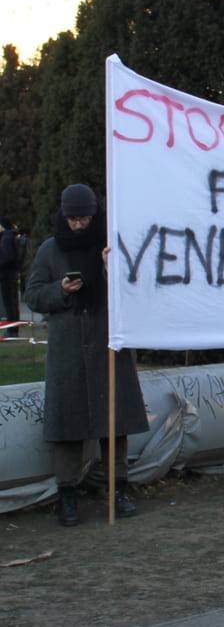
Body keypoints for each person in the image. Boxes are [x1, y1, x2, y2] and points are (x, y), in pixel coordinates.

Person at [26, 184, 149, 527]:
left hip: (109, 344)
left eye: (84, 218)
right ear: (63, 217)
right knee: (67, 425)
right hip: (67, 350)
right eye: (73, 219)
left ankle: (119, 491)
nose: (79, 225)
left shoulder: (111, 246)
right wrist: (60, 291)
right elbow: (33, 295)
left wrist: (112, 271)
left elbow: (136, 291)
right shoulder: (50, 250)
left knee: (116, 423)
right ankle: (67, 496)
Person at [0, 216, 21, 331]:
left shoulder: (6, 238)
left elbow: (7, 257)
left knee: (9, 302)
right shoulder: (12, 235)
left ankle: (11, 329)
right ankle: (14, 327)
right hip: (12, 273)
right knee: (12, 302)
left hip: (7, 273)